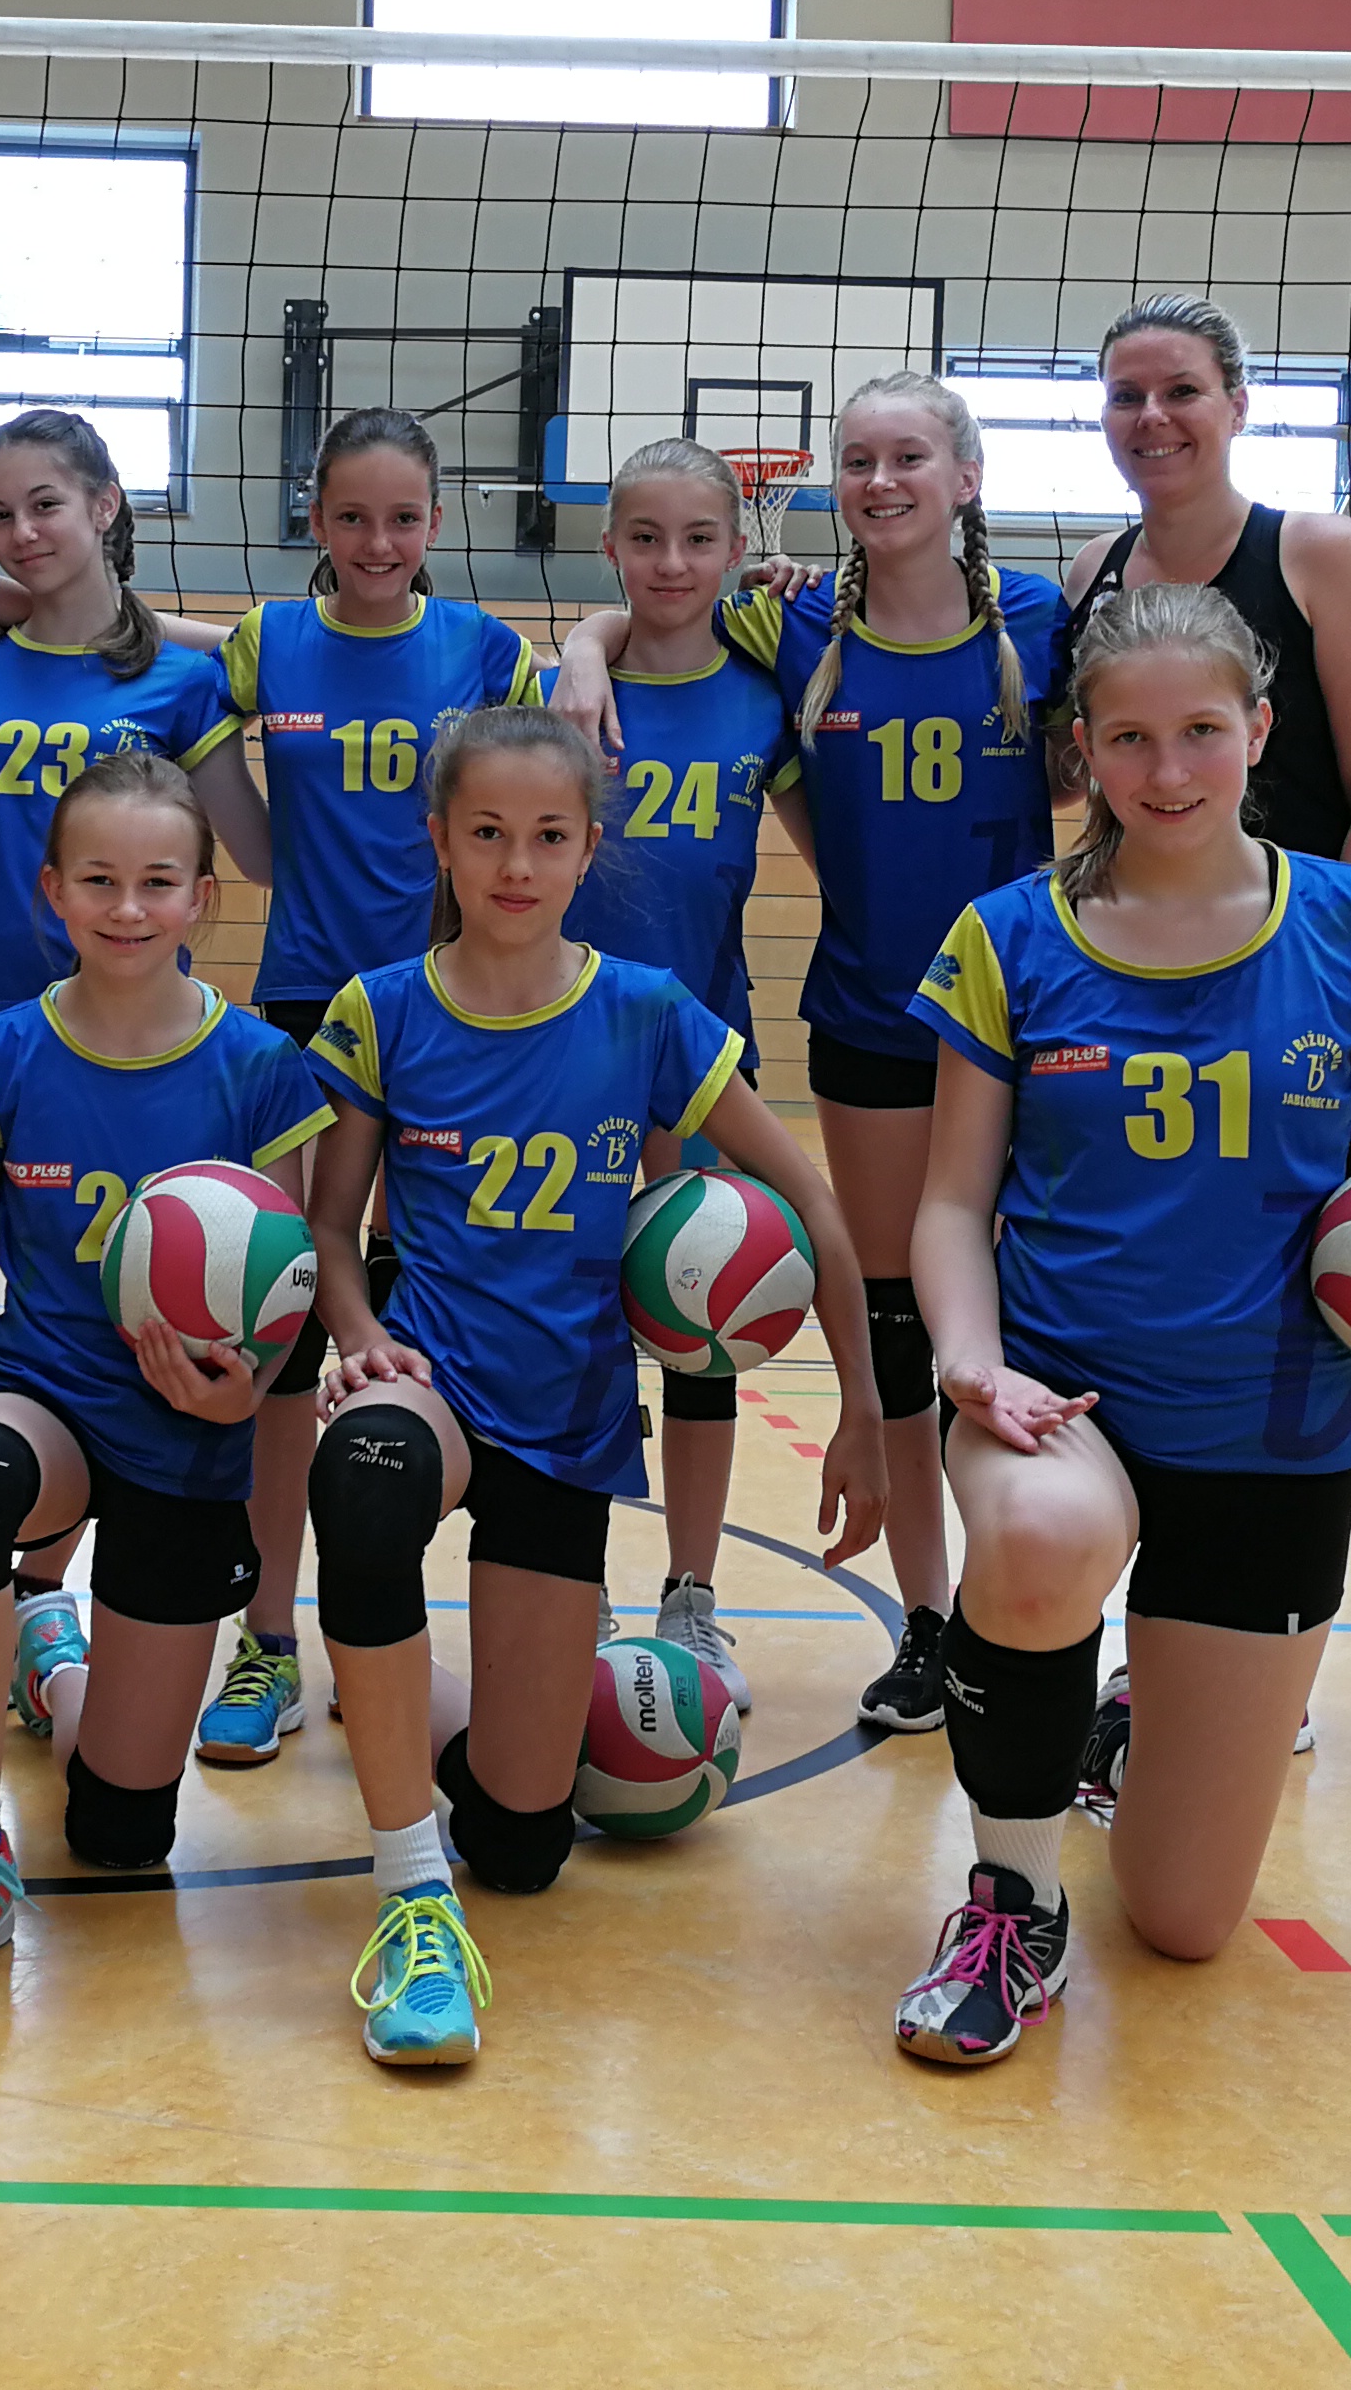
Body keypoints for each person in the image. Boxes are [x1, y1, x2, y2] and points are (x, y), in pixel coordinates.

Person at [892, 582, 1351, 2066]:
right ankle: (1011, 1898)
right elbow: (949, 1205)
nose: (1167, 771)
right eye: (1129, 739)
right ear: (1083, 752)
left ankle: (1124, 1732)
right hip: (1060, 1404)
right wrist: (969, 1363)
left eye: (1201, 732)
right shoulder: (1011, 937)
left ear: (1259, 732)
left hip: (1271, 1438)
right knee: (1037, 1543)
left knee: (1184, 1920)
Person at [298, 707, 889, 2066]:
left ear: (585, 848)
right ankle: (408, 1891)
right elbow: (329, 1227)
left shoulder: (645, 1011)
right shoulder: (380, 1009)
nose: (516, 864)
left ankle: (417, 1699)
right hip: (429, 1375)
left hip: (564, 1419)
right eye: (486, 833)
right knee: (365, 1481)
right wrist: (358, 1334)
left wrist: (861, 1406)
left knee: (521, 1840)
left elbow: (812, 1200)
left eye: (548, 837)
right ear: (438, 841)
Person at [554, 376, 1061, 1744]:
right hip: (870, 1020)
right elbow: (649, 611)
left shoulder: (1040, 621)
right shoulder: (792, 628)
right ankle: (930, 1622)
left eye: (909, 457)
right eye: (857, 460)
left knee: (1042, 1325)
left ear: (965, 476)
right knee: (900, 1323)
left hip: (1039, 1024)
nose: (880, 480)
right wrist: (585, 644)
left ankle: (1048, 1621)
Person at [0, 754, 335, 2009]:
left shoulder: (259, 1066)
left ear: (201, 899)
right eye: (98, 881)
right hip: (47, 1398)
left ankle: (45, 1659)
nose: (127, 908)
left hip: (188, 1433)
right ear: (52, 891)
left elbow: (285, 1288)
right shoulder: (1, 1050)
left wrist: (242, 1391)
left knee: (120, 1835)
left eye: (157, 883)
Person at [0, 408, 272, 1743]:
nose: (20, 533)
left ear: (104, 507)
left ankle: (46, 1594)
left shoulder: (184, 681)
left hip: (143, 1049)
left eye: (44, 505)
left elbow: (259, 853)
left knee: (118, 1295)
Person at [1054, 294, 1351, 1776]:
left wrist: (1348, 980)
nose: (1152, 419)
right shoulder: (1094, 575)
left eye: (1180, 391)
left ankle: (1269, 1659)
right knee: (1165, 1333)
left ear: (1235, 405)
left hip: (1325, 1011)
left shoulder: (1317, 554)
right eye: (1125, 396)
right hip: (1150, 1018)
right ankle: (1154, 1644)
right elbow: (1072, 783)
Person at [192, 409, 540, 1775]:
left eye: (402, 518)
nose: (377, 542)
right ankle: (268, 1635)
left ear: (436, 524)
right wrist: (262, 852)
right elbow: (181, 698)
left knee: (427, 1311)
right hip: (301, 1004)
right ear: (315, 519)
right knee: (287, 1330)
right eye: (351, 517)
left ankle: (396, 1622)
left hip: (449, 1011)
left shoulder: (487, 650)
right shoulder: (267, 640)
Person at [543, 439, 798, 1709]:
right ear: (608, 549)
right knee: (581, 1341)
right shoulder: (562, 698)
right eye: (643, 538)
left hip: (706, 1059)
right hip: (564, 1065)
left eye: (699, 539)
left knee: (704, 1333)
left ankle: (690, 1595)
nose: (671, 563)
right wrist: (582, 648)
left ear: (737, 551)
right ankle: (572, 1588)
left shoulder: (765, 694)